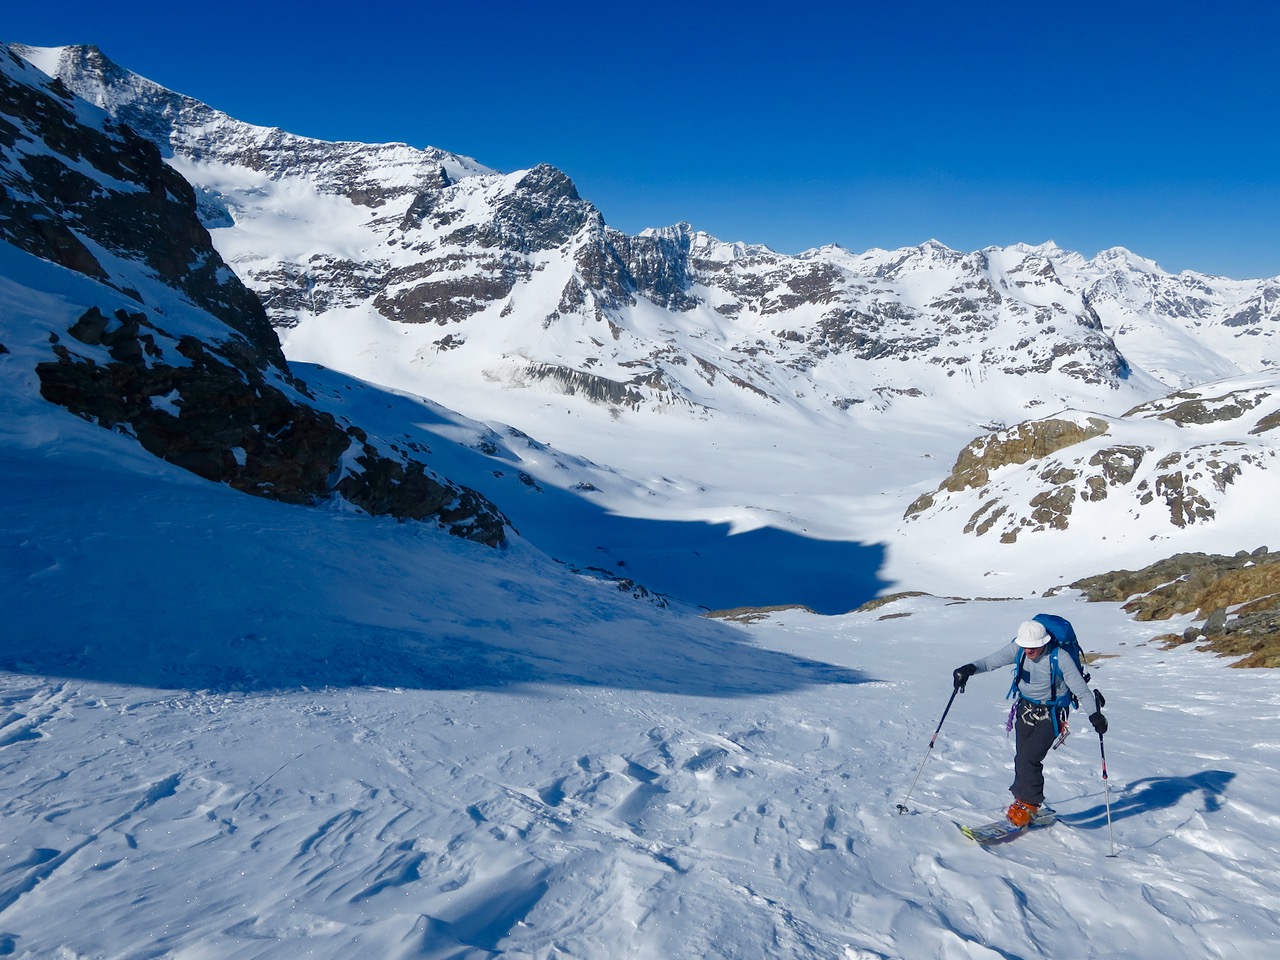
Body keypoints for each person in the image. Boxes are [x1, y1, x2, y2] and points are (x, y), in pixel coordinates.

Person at [952, 619, 1108, 827]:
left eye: (1033, 646)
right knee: (1021, 757)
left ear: (1044, 642)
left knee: (1028, 759)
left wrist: (1095, 715)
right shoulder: (1018, 649)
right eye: (1025, 646)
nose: (1028, 651)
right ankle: (1021, 799)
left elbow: (1081, 690)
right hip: (1025, 709)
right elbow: (990, 662)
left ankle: (1030, 804)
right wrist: (968, 669)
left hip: (1053, 713)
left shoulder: (1060, 658)